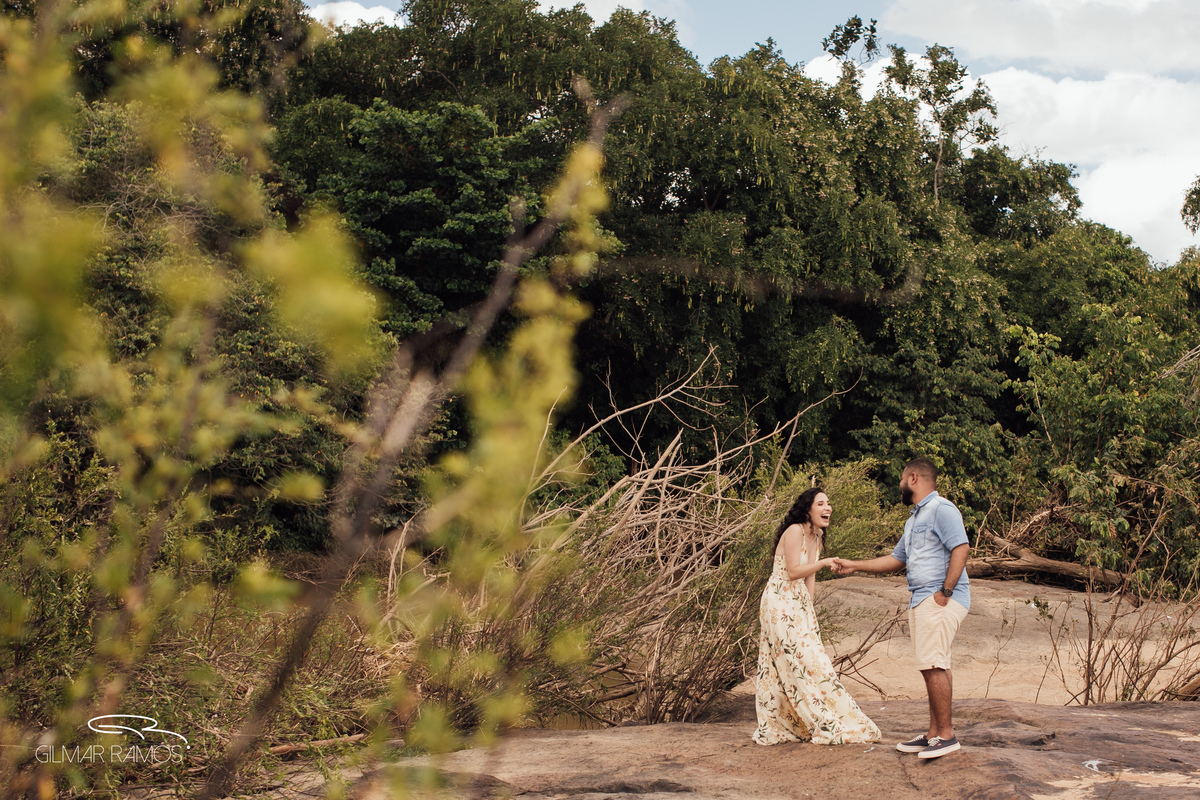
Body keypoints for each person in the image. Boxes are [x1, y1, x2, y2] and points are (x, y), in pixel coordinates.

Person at [833, 457, 970, 759]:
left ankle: (946, 736)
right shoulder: (913, 520)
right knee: (931, 663)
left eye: (901, 479)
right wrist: (854, 565)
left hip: (939, 598)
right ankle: (934, 734)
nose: (899, 485)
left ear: (912, 478)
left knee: (934, 664)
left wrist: (945, 592)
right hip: (921, 598)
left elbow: (961, 547)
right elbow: (896, 560)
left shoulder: (941, 509)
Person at [753, 487, 881, 746]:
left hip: (798, 600)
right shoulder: (794, 531)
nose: (827, 508)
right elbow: (792, 571)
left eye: (829, 503)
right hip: (778, 599)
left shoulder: (817, 535)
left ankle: (811, 719)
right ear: (808, 509)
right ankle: (791, 721)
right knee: (791, 661)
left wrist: (808, 608)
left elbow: (808, 577)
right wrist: (823, 564)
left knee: (813, 659)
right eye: (821, 503)